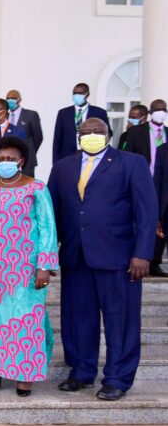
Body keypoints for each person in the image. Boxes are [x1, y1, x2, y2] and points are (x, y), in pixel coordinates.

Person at [49, 118, 157, 401]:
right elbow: (52, 216)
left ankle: (118, 378)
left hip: (119, 258)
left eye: (98, 132)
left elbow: (147, 211)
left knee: (120, 320)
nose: (92, 136)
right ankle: (82, 372)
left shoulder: (131, 163)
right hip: (76, 257)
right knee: (78, 319)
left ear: (109, 135)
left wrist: (143, 253)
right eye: (87, 132)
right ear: (78, 136)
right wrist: (47, 254)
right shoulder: (63, 167)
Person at [0, 136, 57, 396]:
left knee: (24, 320)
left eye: (10, 159)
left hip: (25, 269)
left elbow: (47, 228)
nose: (4, 162)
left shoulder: (36, 188)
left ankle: (24, 376)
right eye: (0, 159)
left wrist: (44, 266)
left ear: (21, 161)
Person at [121, 99, 167, 275]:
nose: (160, 113)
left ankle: (155, 261)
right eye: (157, 110)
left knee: (160, 218)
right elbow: (126, 154)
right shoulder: (137, 132)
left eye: (163, 110)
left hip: (162, 182)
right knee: (140, 216)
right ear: (149, 112)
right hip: (140, 180)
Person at [52, 82, 110, 163]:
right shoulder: (63, 113)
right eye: (74, 93)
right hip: (68, 155)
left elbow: (107, 134)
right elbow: (57, 139)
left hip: (92, 154)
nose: (76, 96)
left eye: (80, 93)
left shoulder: (100, 112)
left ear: (87, 94)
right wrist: (55, 162)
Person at [5, 89, 44, 177]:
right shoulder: (4, 116)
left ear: (20, 99)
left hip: (27, 161)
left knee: (27, 186)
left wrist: (28, 151)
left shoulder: (31, 115)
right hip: (7, 161)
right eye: (8, 98)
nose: (10, 100)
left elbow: (38, 137)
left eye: (13, 98)